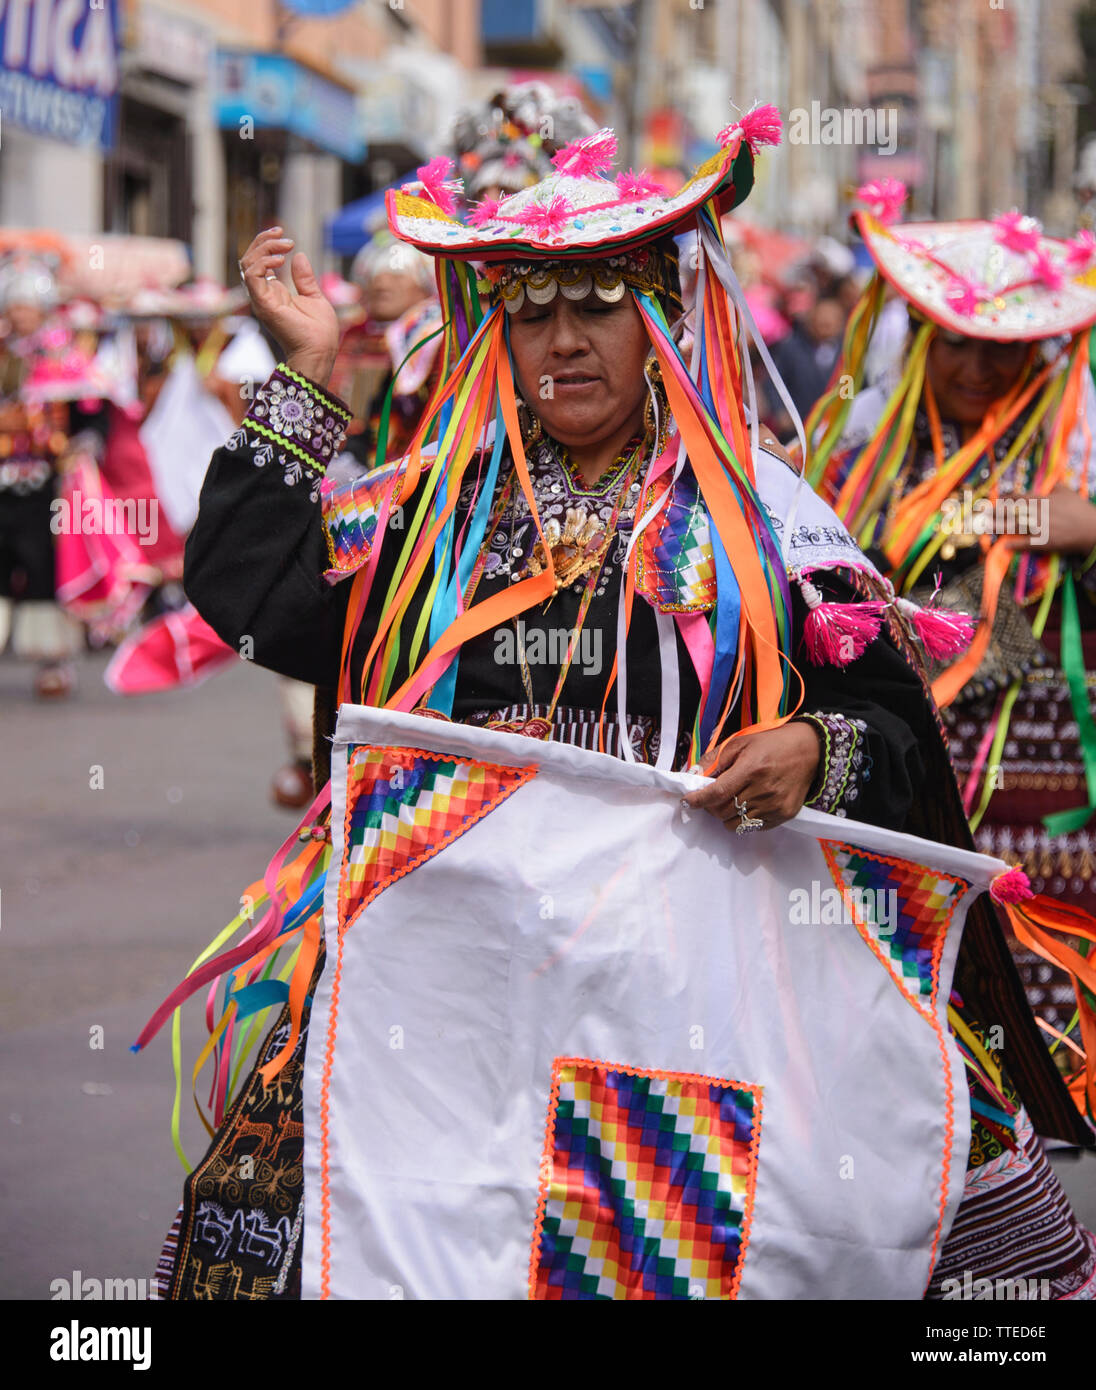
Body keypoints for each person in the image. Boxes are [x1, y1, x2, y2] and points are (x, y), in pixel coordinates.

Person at [149, 114, 1093, 1300]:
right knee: (395, 1242)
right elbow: (253, 604)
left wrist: (814, 745)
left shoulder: (764, 521)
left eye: (595, 304)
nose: (562, 339)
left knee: (655, 1249)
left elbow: (895, 729)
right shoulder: (432, 523)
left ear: (655, 322)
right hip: (449, 1002)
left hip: (693, 999)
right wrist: (306, 374)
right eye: (531, 311)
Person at [808, 183, 1096, 1053]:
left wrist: (979, 520)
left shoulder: (1070, 441)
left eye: (997, 352)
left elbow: (1076, 522)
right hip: (907, 746)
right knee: (910, 976)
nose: (975, 370)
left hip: (1038, 763)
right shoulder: (862, 441)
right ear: (921, 342)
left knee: (1037, 980)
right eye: (956, 347)